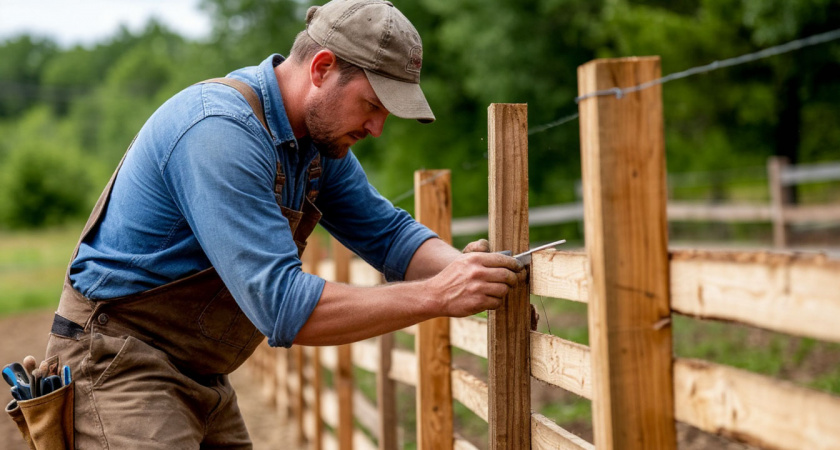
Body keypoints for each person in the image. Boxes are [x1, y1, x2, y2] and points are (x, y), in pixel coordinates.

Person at [44, 0, 525, 448]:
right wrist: (440, 294)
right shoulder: (219, 132)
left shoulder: (317, 144)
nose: (377, 128)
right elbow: (282, 305)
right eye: (373, 104)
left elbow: (390, 235)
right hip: (118, 362)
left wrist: (473, 271)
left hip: (201, 373)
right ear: (322, 69)